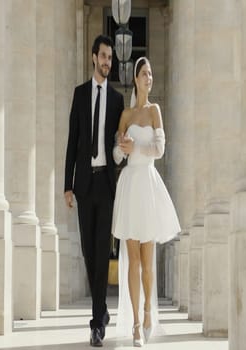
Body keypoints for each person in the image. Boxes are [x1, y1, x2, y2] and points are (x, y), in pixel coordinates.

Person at [112, 57, 181, 347]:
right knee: (133, 261)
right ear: (136, 79)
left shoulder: (155, 111)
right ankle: (136, 327)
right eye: (144, 74)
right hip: (129, 184)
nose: (149, 78)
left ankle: (148, 311)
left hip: (148, 185)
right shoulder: (126, 115)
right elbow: (116, 156)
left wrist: (136, 146)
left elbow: (160, 149)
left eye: (151, 73)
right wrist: (120, 147)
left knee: (148, 261)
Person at [64, 34, 125, 348]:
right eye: (103, 56)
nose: (107, 62)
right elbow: (73, 141)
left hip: (106, 184)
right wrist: (67, 185)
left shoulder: (116, 100)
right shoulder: (80, 94)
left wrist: (123, 150)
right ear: (93, 58)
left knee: (103, 253)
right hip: (84, 185)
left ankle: (96, 321)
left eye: (110, 58)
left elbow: (118, 143)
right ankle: (101, 314)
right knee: (89, 253)